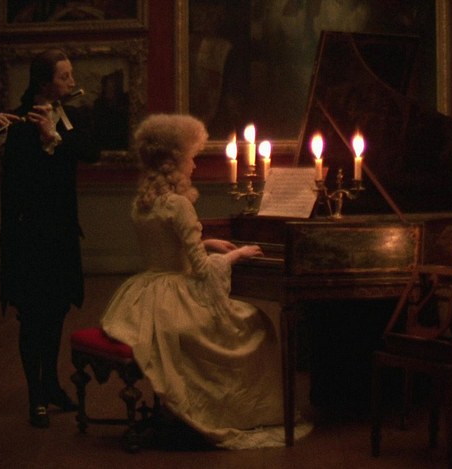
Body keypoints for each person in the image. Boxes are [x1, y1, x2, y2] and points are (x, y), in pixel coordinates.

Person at [100, 114, 311, 449]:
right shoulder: (179, 205)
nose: (195, 165)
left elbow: (166, 244)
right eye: (191, 157)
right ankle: (236, 412)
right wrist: (238, 255)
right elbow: (202, 271)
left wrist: (208, 242)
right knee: (256, 324)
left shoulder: (142, 203)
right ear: (174, 162)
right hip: (176, 298)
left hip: (144, 294)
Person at [0, 48, 100, 428]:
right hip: (27, 237)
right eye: (64, 76)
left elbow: (92, 151)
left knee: (55, 311)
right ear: (44, 83)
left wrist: (55, 136)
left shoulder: (69, 117)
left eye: (70, 75)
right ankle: (35, 395)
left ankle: (51, 384)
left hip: (60, 234)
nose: (72, 82)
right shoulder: (18, 121)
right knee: (32, 316)